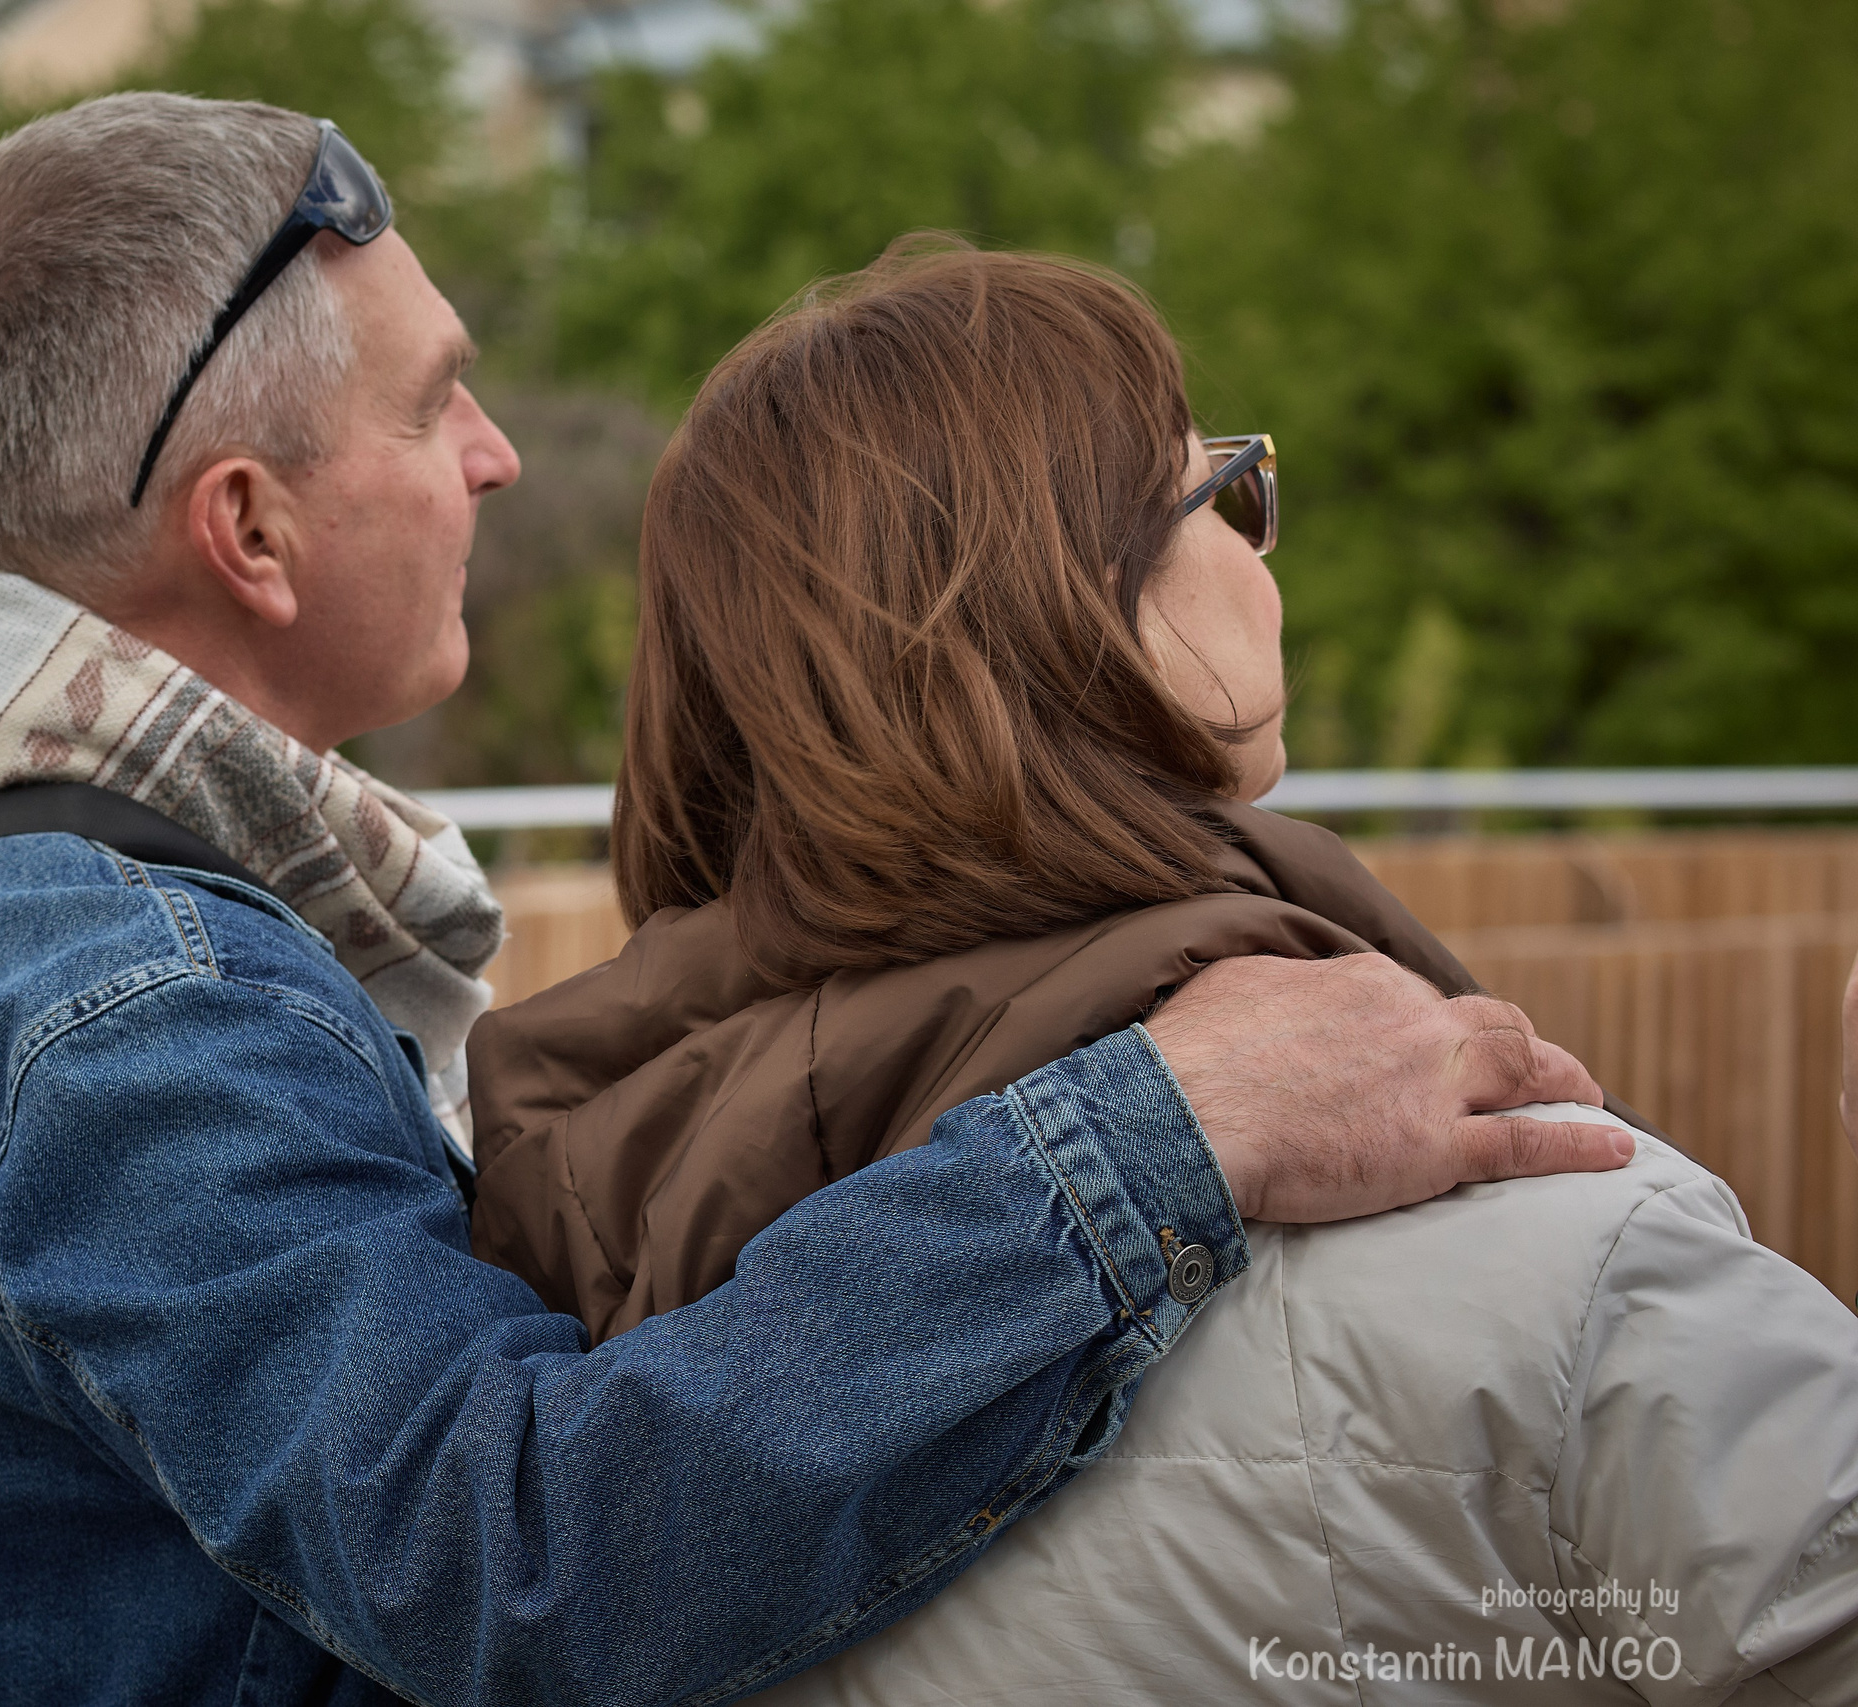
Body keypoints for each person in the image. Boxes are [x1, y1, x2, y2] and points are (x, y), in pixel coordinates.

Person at [0, 97, 1630, 1705]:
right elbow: (521, 1559)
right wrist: (1165, 1131)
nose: (497, 454)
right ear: (251, 530)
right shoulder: (120, 1003)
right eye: (433, 404)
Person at [467, 240, 1858, 1703]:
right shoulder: (1572, 1269)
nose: (1261, 553)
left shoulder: (579, 1294)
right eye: (1223, 494)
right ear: (1069, 609)